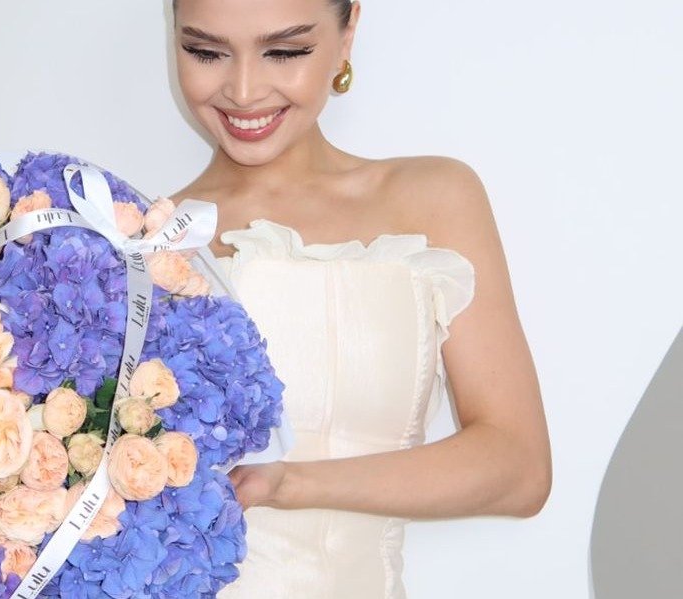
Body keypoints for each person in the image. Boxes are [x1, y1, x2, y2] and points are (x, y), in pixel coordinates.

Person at [166, 0, 553, 596]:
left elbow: (518, 469)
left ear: (347, 36)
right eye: (206, 52)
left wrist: (288, 485)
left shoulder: (432, 198)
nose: (243, 91)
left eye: (285, 51)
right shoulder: (134, 243)